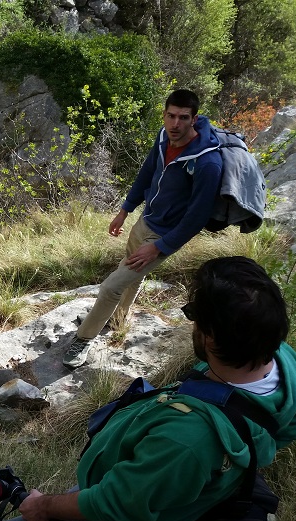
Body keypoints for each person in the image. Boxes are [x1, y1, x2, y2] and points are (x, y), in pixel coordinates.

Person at [0, 256, 296, 521]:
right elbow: (294, 427)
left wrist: (43, 505)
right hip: (145, 488)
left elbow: (117, 504)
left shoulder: (189, 438)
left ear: (210, 338)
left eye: (194, 315)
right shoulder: (281, 360)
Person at [64, 89, 223, 369]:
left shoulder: (207, 163)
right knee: (131, 278)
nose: (175, 124)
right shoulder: (164, 139)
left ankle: (84, 339)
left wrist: (159, 247)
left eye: (183, 118)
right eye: (171, 116)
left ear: (194, 119)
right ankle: (116, 319)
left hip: (163, 236)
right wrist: (125, 210)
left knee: (112, 285)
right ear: (164, 114)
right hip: (145, 220)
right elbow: (147, 173)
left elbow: (196, 219)